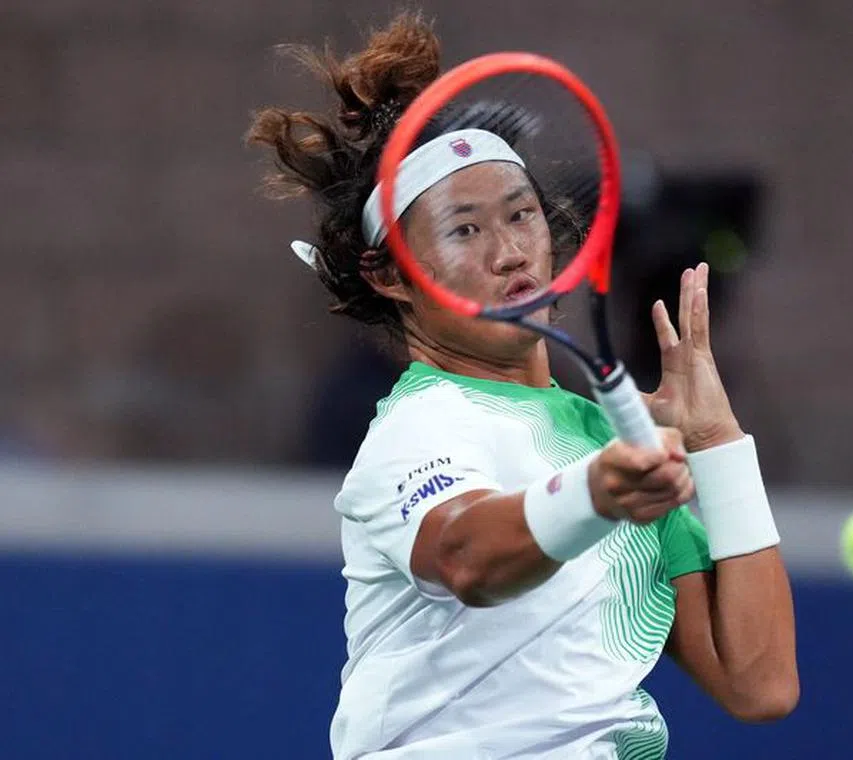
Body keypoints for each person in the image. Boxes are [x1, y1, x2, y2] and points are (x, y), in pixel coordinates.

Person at [248, 13, 797, 759]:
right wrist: (596, 494)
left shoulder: (611, 447)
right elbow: (466, 558)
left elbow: (759, 683)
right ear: (390, 275)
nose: (510, 252)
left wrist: (718, 444)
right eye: (465, 230)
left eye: (521, 215)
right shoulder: (420, 425)